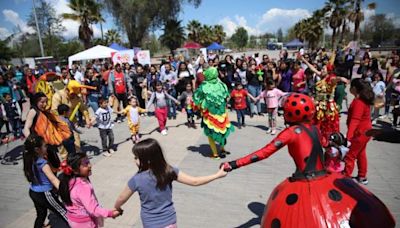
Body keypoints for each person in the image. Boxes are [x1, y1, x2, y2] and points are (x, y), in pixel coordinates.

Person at [222, 93, 395, 228]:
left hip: (305, 183)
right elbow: (327, 144)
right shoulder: (315, 129)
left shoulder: (290, 132)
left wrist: (233, 164)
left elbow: (263, 153)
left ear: (289, 113)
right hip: (327, 178)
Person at [113, 138, 227, 228]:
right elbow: (195, 181)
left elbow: (121, 199)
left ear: (146, 160)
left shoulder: (136, 180)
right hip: (170, 221)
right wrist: (217, 175)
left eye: (136, 157)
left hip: (151, 223)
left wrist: (117, 208)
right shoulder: (169, 170)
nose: (134, 160)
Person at [59, 153, 121, 228]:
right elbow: (93, 209)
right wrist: (110, 213)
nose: (90, 165)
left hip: (73, 221)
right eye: (85, 164)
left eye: (88, 161)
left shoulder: (67, 180)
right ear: (75, 170)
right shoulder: (82, 186)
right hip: (86, 223)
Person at [23, 134, 69, 228]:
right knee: (64, 213)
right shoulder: (43, 164)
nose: (47, 147)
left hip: (33, 192)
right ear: (37, 149)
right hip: (45, 194)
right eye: (44, 146)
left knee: (41, 215)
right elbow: (53, 179)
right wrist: (66, 190)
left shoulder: (30, 159)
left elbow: (52, 170)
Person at [193, 67, 234, 159]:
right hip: (222, 113)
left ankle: (215, 154)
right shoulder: (222, 85)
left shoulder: (203, 86)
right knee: (222, 131)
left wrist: (198, 107)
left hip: (209, 115)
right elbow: (227, 97)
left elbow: (197, 99)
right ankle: (222, 149)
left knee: (210, 133)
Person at [24, 93, 72, 169]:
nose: (45, 104)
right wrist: (32, 141)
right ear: (35, 101)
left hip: (48, 144)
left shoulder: (44, 112)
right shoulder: (33, 111)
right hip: (39, 145)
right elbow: (26, 128)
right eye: (42, 102)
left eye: (46, 102)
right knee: (47, 166)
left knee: (55, 164)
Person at [343, 78, 374, 185]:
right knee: (361, 153)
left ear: (354, 89)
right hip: (366, 131)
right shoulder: (363, 100)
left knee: (350, 155)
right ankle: (362, 176)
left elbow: (355, 120)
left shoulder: (358, 102)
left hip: (360, 132)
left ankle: (345, 178)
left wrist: (349, 137)